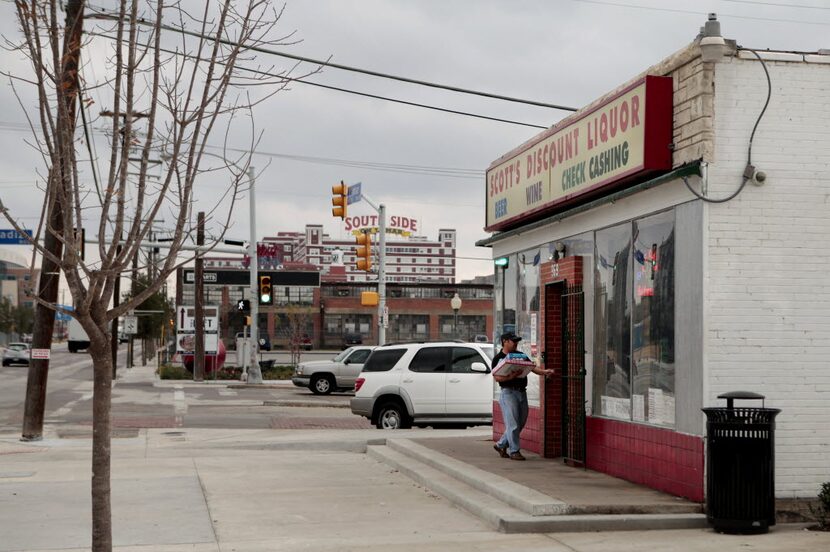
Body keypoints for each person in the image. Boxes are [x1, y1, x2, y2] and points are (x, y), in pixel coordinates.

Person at [492, 332, 555, 461]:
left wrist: (544, 372)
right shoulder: (498, 358)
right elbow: (496, 377)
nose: (516, 343)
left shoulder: (520, 355)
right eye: (513, 341)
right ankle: (514, 451)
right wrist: (510, 377)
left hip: (521, 392)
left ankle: (500, 444)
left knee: (520, 422)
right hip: (508, 393)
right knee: (513, 424)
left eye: (516, 341)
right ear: (505, 341)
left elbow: (532, 368)